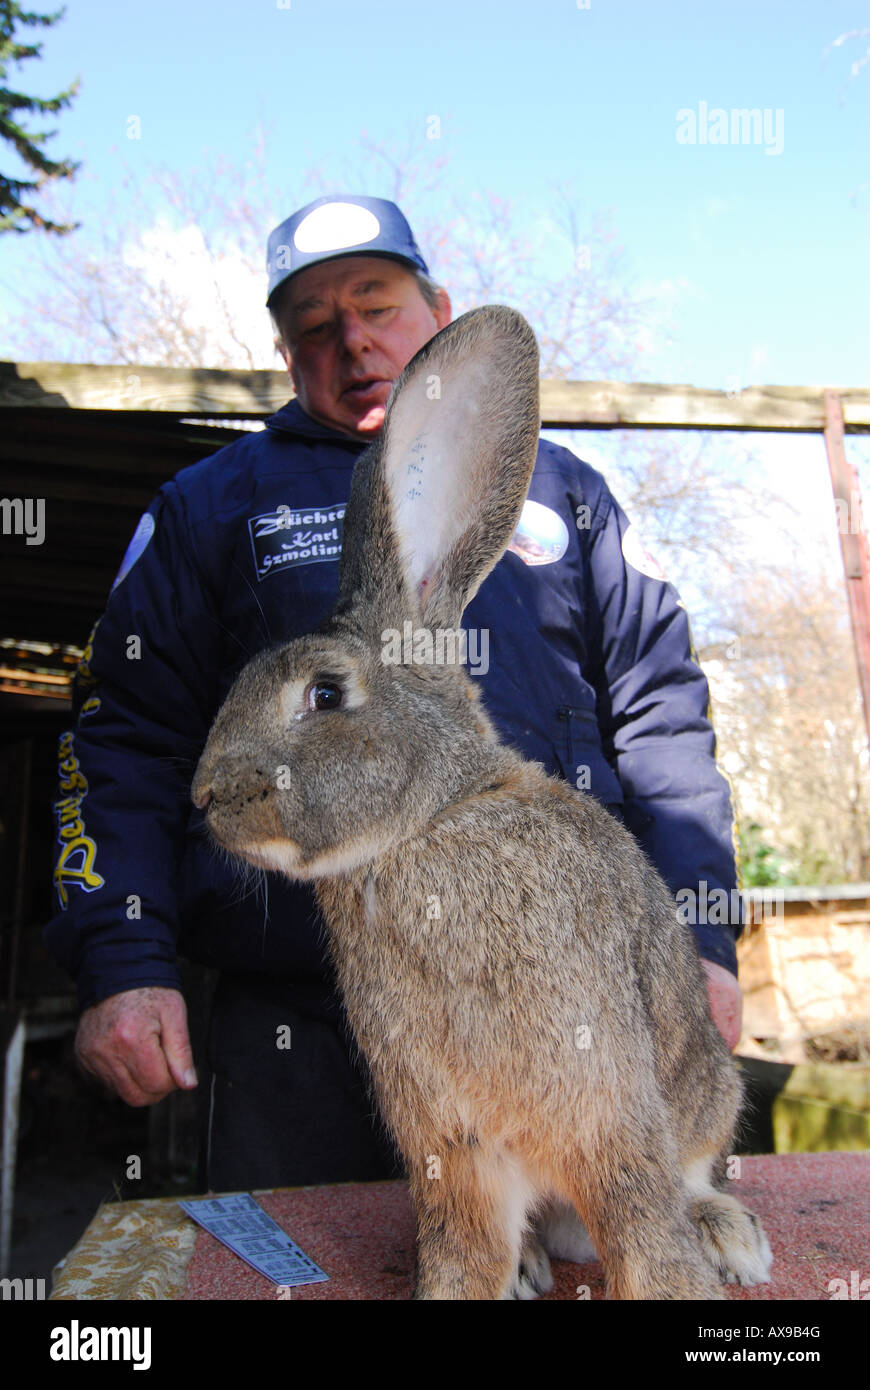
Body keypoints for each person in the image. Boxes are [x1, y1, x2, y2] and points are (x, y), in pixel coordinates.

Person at [45, 194, 744, 1192]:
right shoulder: (209, 507)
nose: (354, 342)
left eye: (377, 305)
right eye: (316, 326)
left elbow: (661, 712)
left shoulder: (568, 495)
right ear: (287, 356)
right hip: (309, 1022)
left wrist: (702, 933)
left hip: (577, 1000)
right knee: (304, 1265)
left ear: (440, 308)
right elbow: (122, 736)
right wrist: (126, 955)